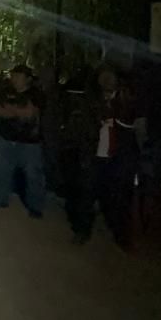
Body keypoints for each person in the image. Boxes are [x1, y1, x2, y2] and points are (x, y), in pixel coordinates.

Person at [68, 66, 144, 248]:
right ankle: (82, 231)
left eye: (111, 77)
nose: (107, 81)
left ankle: (121, 236)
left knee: (119, 198)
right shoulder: (91, 100)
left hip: (118, 157)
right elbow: (82, 128)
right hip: (96, 155)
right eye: (104, 77)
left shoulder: (127, 98)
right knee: (87, 195)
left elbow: (134, 125)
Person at [0, 65, 46, 218]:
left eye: (18, 76)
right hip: (6, 138)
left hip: (29, 142)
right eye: (14, 75)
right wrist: (18, 112)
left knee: (33, 175)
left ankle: (35, 207)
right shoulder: (6, 91)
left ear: (27, 79)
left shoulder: (36, 94)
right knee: (1, 171)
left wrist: (10, 110)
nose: (15, 79)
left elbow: (30, 114)